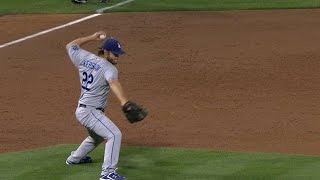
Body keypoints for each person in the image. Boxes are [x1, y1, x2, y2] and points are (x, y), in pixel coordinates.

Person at [65, 31, 147, 180]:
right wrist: (125, 102)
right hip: (90, 112)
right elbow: (113, 82)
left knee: (96, 137)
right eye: (115, 54)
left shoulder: (84, 58)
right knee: (114, 134)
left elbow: (71, 45)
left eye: (118, 54)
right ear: (106, 52)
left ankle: (74, 158)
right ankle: (107, 173)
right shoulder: (109, 69)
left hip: (83, 110)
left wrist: (91, 38)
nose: (117, 57)